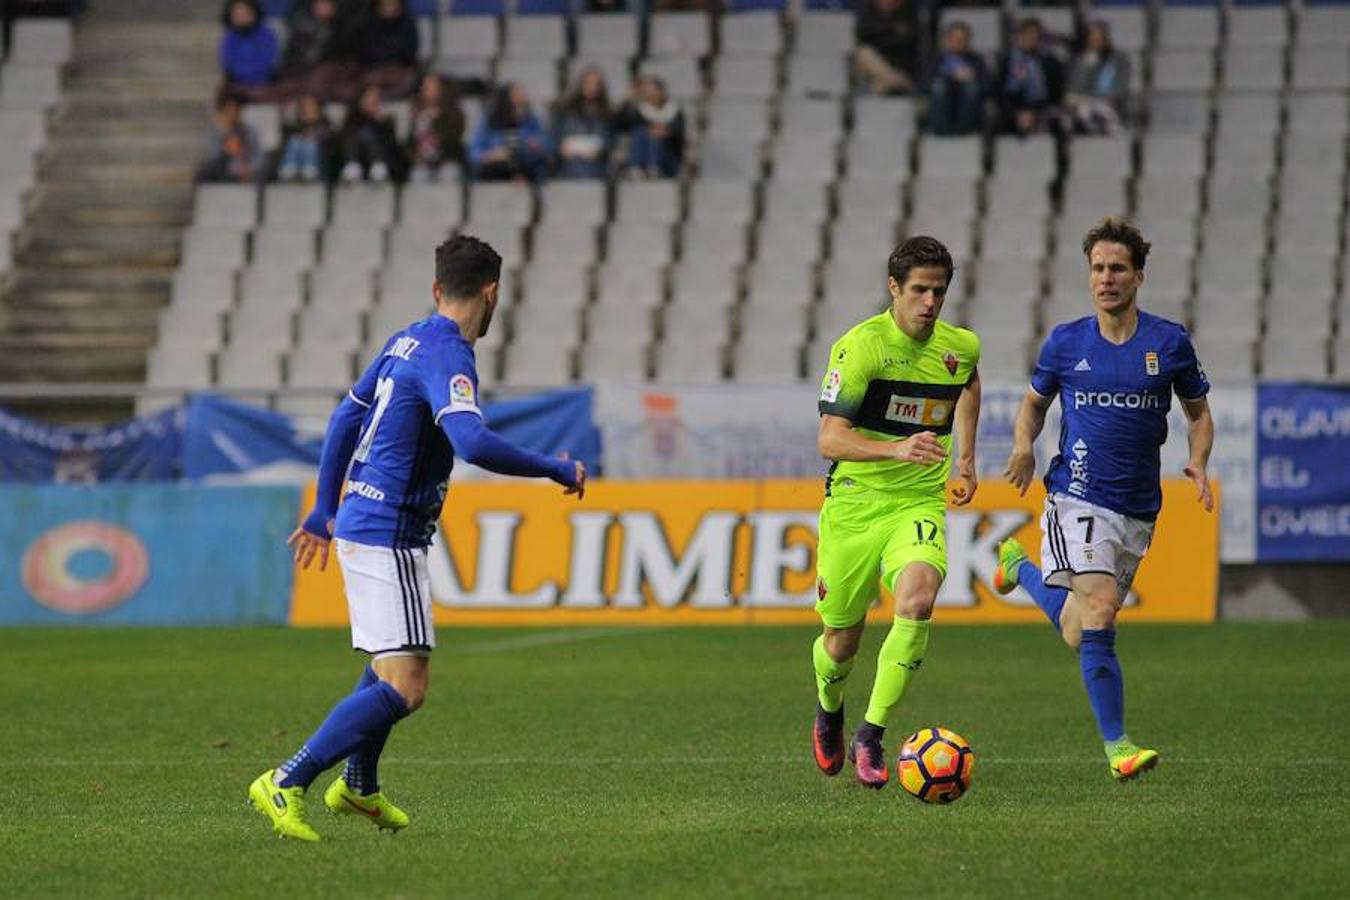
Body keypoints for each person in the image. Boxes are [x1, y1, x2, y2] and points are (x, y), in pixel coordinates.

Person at [248, 234, 587, 842]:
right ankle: (287, 780)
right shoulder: (449, 356)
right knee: (408, 684)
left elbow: (346, 416)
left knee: (390, 663)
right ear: (492, 293)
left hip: (365, 519)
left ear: (436, 290)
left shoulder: (407, 337)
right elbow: (473, 442)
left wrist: (325, 507)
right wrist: (556, 468)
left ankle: (359, 785)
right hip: (388, 532)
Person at [994, 216, 1214, 781]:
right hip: (1077, 494)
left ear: (1138, 276)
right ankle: (1118, 746)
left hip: (1138, 507)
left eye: (1118, 268)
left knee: (1076, 628)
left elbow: (1198, 413)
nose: (1106, 278)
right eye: (1097, 268)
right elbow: (1034, 403)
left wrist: (1198, 458)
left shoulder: (1168, 343)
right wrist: (1024, 446)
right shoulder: (1067, 342)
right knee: (1098, 612)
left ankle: (1019, 568)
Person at [811, 236, 982, 789]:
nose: (930, 302)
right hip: (856, 506)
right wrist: (895, 447)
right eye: (919, 290)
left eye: (939, 291)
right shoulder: (860, 348)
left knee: (918, 597)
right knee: (841, 642)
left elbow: (968, 382)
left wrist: (968, 459)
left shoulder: (960, 348)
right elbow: (829, 439)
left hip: (917, 501)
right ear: (894, 288)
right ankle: (829, 707)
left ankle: (871, 734)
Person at [468, 82, 550, 183]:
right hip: (494, 166)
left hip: (524, 164)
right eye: (516, 93)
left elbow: (545, 146)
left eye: (522, 93)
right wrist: (491, 155)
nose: (521, 96)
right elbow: (475, 150)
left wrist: (534, 145)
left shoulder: (531, 121)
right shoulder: (490, 121)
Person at [997, 17, 1065, 136]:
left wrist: (1034, 112)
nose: (1032, 39)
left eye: (1036, 35)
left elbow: (1056, 93)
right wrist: (1018, 113)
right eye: (1028, 35)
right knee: (1001, 118)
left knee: (1056, 120)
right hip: (1015, 107)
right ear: (1020, 37)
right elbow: (1000, 91)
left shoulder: (1051, 62)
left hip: (1042, 106)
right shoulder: (1008, 60)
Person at [1065, 20, 1132, 135]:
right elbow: (1074, 88)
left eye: (1100, 36)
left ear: (1106, 38)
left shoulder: (1119, 59)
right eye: (1093, 36)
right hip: (1083, 103)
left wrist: (1101, 98)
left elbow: (1121, 87)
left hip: (1110, 105)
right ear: (1087, 39)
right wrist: (1088, 61)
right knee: (1081, 111)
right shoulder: (1079, 60)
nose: (1096, 39)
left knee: (1098, 111)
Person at [551, 66, 614, 179]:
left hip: (595, 163)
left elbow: (607, 143)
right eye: (588, 83)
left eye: (596, 84)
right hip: (568, 162)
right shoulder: (565, 110)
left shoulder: (606, 113)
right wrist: (563, 148)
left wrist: (597, 151)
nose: (591, 87)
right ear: (580, 85)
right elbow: (557, 141)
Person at [337, 83, 407, 182]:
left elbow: (392, 145)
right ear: (362, 100)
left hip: (380, 158)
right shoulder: (352, 117)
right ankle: (352, 166)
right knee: (359, 135)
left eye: (376, 98)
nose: (373, 101)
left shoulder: (386, 120)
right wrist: (365, 116)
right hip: (357, 156)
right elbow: (343, 138)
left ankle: (378, 166)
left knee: (371, 136)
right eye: (369, 98)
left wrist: (379, 122)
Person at [617, 76, 685, 178]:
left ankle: (654, 168)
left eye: (655, 91)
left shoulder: (674, 112)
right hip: (644, 154)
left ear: (662, 91)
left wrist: (666, 132)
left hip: (668, 157)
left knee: (655, 137)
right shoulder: (641, 111)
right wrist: (627, 102)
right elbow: (622, 124)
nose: (652, 95)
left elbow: (679, 134)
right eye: (648, 92)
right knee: (639, 132)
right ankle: (636, 167)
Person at [926, 21, 986, 136]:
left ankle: (964, 129)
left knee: (972, 87)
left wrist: (972, 77)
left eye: (962, 38)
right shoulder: (937, 60)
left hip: (967, 108)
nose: (958, 42)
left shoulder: (977, 61)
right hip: (943, 104)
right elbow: (924, 84)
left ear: (968, 41)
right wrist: (951, 76)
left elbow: (988, 85)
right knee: (938, 86)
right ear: (948, 40)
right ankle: (941, 130)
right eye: (954, 38)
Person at [406, 72, 466, 182]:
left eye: (431, 87)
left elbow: (453, 139)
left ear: (441, 90)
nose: (427, 90)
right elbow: (411, 141)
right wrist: (414, 155)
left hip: (447, 160)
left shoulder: (454, 113)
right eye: (425, 87)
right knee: (418, 175)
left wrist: (436, 121)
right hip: (423, 162)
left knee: (449, 174)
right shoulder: (417, 114)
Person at [853, 0, 920, 96]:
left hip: (903, 71)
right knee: (863, 52)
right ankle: (894, 81)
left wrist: (883, 33)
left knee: (878, 87)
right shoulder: (867, 11)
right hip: (877, 71)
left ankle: (894, 83)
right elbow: (863, 33)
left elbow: (908, 40)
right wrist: (891, 29)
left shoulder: (909, 12)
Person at [360, 0, 419, 99]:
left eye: (392, 5)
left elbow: (410, 51)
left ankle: (380, 97)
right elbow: (365, 51)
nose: (389, 9)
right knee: (366, 80)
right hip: (375, 69)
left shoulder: (408, 24)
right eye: (385, 5)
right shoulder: (369, 23)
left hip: (399, 69)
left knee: (409, 80)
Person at [219, 0, 278, 98]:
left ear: (253, 13)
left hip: (264, 82)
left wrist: (250, 78)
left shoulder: (266, 35)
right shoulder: (229, 37)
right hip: (238, 83)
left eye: (244, 12)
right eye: (237, 14)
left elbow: (267, 62)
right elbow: (228, 63)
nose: (241, 16)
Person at [197, 94, 261, 183]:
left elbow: (258, 156)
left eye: (237, 109)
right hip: (225, 173)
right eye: (230, 109)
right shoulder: (215, 133)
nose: (233, 113)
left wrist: (249, 168)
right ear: (223, 111)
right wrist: (224, 135)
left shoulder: (248, 131)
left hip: (248, 172)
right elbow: (212, 157)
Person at [278, 94, 333, 181]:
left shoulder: (324, 125)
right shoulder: (293, 127)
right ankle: (290, 168)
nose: (308, 111)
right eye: (304, 109)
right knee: (295, 141)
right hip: (298, 161)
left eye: (311, 108)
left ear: (318, 110)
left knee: (310, 144)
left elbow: (328, 142)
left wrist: (313, 136)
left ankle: (309, 168)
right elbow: (284, 143)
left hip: (319, 162)